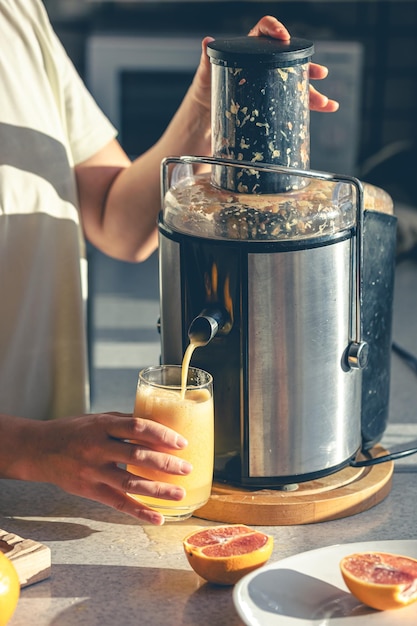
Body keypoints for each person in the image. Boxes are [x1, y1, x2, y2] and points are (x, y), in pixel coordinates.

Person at [0, 2, 338, 525]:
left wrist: (207, 105)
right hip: (39, 464)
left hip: (56, 495)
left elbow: (119, 221)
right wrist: (28, 446)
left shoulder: (17, 16)